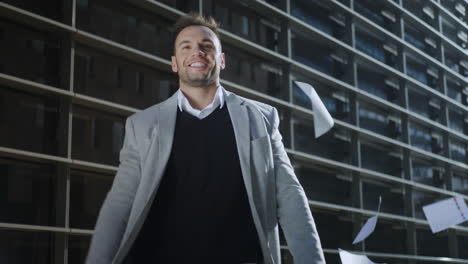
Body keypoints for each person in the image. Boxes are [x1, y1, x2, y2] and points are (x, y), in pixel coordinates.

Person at [86, 13, 325, 264]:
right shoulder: (142, 125)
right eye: (185, 47)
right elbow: (119, 206)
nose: (197, 52)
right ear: (174, 63)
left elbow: (289, 196)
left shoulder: (262, 118)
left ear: (221, 60)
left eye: (206, 46)